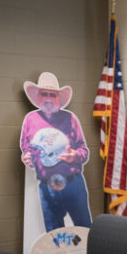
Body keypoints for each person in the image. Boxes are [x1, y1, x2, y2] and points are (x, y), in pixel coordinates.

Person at [20, 71, 92, 232]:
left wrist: (74, 156)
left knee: (84, 230)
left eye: (52, 95)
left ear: (58, 97)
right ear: (38, 96)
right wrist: (27, 156)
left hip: (73, 184)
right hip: (46, 186)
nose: (48, 98)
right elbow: (27, 148)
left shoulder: (71, 118)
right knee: (53, 235)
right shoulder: (30, 120)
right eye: (44, 94)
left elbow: (84, 151)